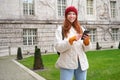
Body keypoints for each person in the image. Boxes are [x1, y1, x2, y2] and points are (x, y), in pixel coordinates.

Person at [54, 6, 92, 80]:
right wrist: (70, 41)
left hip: (81, 63)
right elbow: (58, 47)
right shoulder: (60, 29)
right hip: (67, 63)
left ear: (76, 16)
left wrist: (87, 42)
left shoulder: (81, 29)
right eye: (69, 14)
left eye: (74, 14)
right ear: (66, 16)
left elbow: (87, 49)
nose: (72, 16)